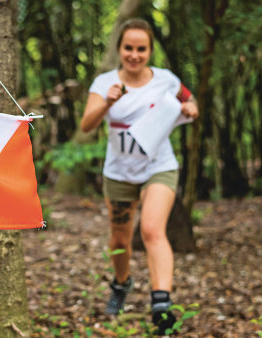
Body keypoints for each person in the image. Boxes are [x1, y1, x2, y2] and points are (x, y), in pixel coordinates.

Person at [80, 18, 199, 335]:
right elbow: (86, 125)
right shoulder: (105, 83)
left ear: (150, 50)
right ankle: (121, 284)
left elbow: (190, 101)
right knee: (120, 238)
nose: (134, 55)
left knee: (151, 229)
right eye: (128, 48)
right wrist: (109, 101)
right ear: (120, 49)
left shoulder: (166, 80)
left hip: (159, 166)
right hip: (119, 172)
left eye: (141, 49)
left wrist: (191, 109)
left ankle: (161, 304)